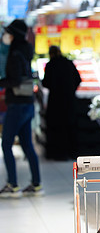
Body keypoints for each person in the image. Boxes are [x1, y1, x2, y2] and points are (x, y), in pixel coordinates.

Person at [0, 19, 42, 197]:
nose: (5, 35)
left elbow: (15, 80)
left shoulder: (14, 53)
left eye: (7, 32)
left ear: (13, 34)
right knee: (27, 145)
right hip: (28, 103)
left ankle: (12, 184)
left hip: (16, 104)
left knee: (6, 144)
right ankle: (36, 184)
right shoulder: (26, 50)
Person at [42, 46, 81, 160]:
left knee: (58, 129)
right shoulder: (69, 63)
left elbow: (46, 83)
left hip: (56, 102)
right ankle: (73, 153)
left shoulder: (50, 65)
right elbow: (78, 79)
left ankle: (59, 154)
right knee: (71, 127)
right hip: (70, 101)